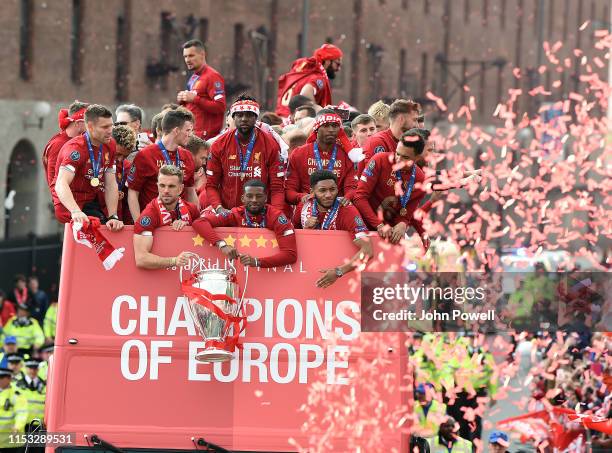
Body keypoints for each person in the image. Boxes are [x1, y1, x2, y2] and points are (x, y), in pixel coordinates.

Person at [192, 180, 297, 269]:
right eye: (249, 196)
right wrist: (222, 245)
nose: (254, 200)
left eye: (259, 196)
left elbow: (290, 255)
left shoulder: (277, 216)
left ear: (265, 198)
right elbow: (199, 222)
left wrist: (256, 262)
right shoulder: (235, 213)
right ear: (243, 198)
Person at [205, 96, 285, 212]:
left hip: (260, 215)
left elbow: (277, 188)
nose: (244, 119)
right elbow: (211, 185)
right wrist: (219, 208)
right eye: (239, 115)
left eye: (249, 115)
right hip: (228, 213)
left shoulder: (270, 144)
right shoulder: (219, 145)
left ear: (256, 117)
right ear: (233, 117)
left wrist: (275, 213)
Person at [292, 170, 372, 287]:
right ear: (312, 192)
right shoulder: (303, 207)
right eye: (322, 190)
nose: (328, 195)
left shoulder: (347, 210)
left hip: (342, 279)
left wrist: (338, 272)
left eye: (332, 189)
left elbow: (368, 251)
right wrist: (305, 230)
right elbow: (291, 237)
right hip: (306, 276)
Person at [353, 130, 431, 248]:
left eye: (405, 157)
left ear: (417, 158)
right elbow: (359, 197)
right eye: (397, 153)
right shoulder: (380, 160)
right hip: (362, 227)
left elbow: (406, 213)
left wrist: (402, 224)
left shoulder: (420, 179)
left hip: (388, 234)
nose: (398, 159)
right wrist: (379, 225)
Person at [53, 105, 124, 229]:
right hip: (69, 205)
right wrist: (75, 211)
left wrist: (113, 216)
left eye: (111, 125)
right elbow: (61, 183)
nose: (110, 130)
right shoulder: (76, 149)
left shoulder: (110, 144)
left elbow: (111, 183)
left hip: (90, 202)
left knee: (109, 227)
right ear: (90, 127)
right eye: (105, 127)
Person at [127, 109, 197, 220]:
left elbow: (190, 191)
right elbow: (133, 192)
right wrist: (139, 222)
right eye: (188, 130)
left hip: (180, 224)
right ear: (176, 131)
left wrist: (194, 221)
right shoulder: (145, 155)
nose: (190, 135)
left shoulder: (187, 156)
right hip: (153, 223)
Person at [133, 165, 200, 270]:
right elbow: (141, 259)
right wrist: (174, 261)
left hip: (188, 273)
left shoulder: (192, 210)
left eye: (171, 186)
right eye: (162, 185)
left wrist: (189, 226)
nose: (166, 191)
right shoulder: (149, 215)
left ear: (181, 189)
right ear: (157, 186)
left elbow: (204, 230)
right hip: (158, 280)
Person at [285, 110, 357, 206]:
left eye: (335, 126)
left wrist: (347, 197)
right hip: (307, 207)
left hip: (337, 207)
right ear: (316, 128)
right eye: (326, 125)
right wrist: (302, 197)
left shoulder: (346, 155)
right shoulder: (299, 153)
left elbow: (351, 187)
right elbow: (289, 191)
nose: (331, 129)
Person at [276, 43, 343, 116]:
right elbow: (306, 93)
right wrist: (319, 110)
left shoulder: (301, 74)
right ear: (327, 61)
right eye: (337, 64)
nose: (338, 69)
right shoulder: (318, 78)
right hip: (294, 121)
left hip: (281, 117)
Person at [177, 39, 226, 139]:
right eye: (185, 56)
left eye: (191, 56)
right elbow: (194, 107)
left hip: (206, 138)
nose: (187, 60)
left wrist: (195, 99)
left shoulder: (213, 76)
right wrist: (183, 102)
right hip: (192, 135)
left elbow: (220, 107)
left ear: (202, 55)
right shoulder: (193, 78)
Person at [358, 99, 421, 174]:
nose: (417, 125)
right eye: (414, 120)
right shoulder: (378, 142)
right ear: (401, 119)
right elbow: (370, 180)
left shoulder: (405, 143)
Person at [43, 101, 89, 192]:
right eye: (88, 122)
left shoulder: (82, 141)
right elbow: (53, 180)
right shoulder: (58, 144)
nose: (92, 126)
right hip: (68, 201)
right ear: (78, 124)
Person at [110, 124, 138, 223]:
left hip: (117, 220)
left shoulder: (127, 167)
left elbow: (131, 199)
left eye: (125, 156)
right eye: (118, 154)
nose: (120, 159)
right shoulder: (96, 161)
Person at [0, 367, 28, 452]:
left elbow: (22, 413)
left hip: (12, 441)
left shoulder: (17, 394)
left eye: (1, 378)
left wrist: (17, 427)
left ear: (9, 379)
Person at [15, 358, 46, 435]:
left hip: (39, 426)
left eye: (35, 368)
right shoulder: (16, 385)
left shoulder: (46, 386)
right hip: (21, 425)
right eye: (30, 368)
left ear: (38, 369)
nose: (32, 371)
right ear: (25, 368)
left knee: (37, 447)